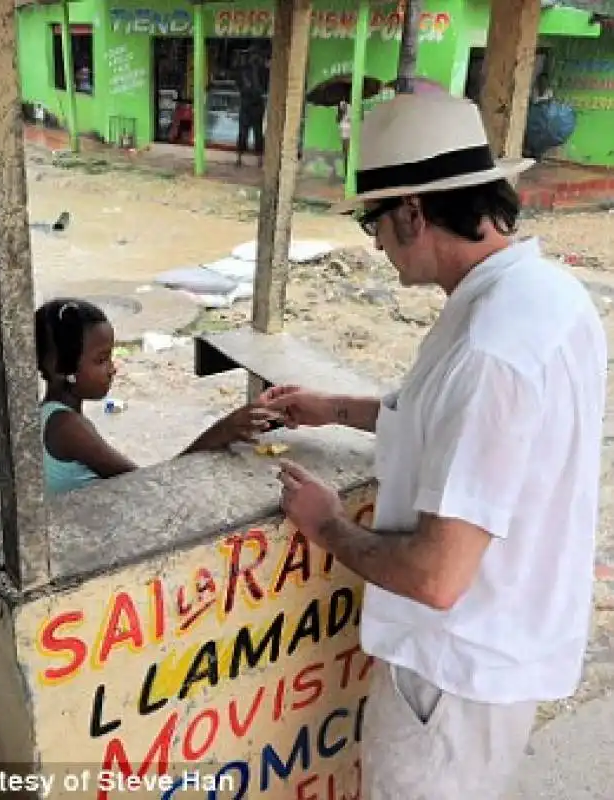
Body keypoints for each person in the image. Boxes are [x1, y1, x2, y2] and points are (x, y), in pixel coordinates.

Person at [260, 94, 607, 799]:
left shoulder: (487, 352)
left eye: (375, 224)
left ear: (412, 213)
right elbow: (454, 429)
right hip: (503, 652)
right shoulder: (549, 295)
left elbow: (435, 577)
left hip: (450, 679)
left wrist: (325, 524)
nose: (378, 246)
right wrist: (334, 408)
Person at [35, 298, 276, 494]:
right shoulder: (68, 428)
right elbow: (150, 485)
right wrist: (222, 430)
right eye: (100, 360)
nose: (112, 368)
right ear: (61, 368)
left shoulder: (47, 415)